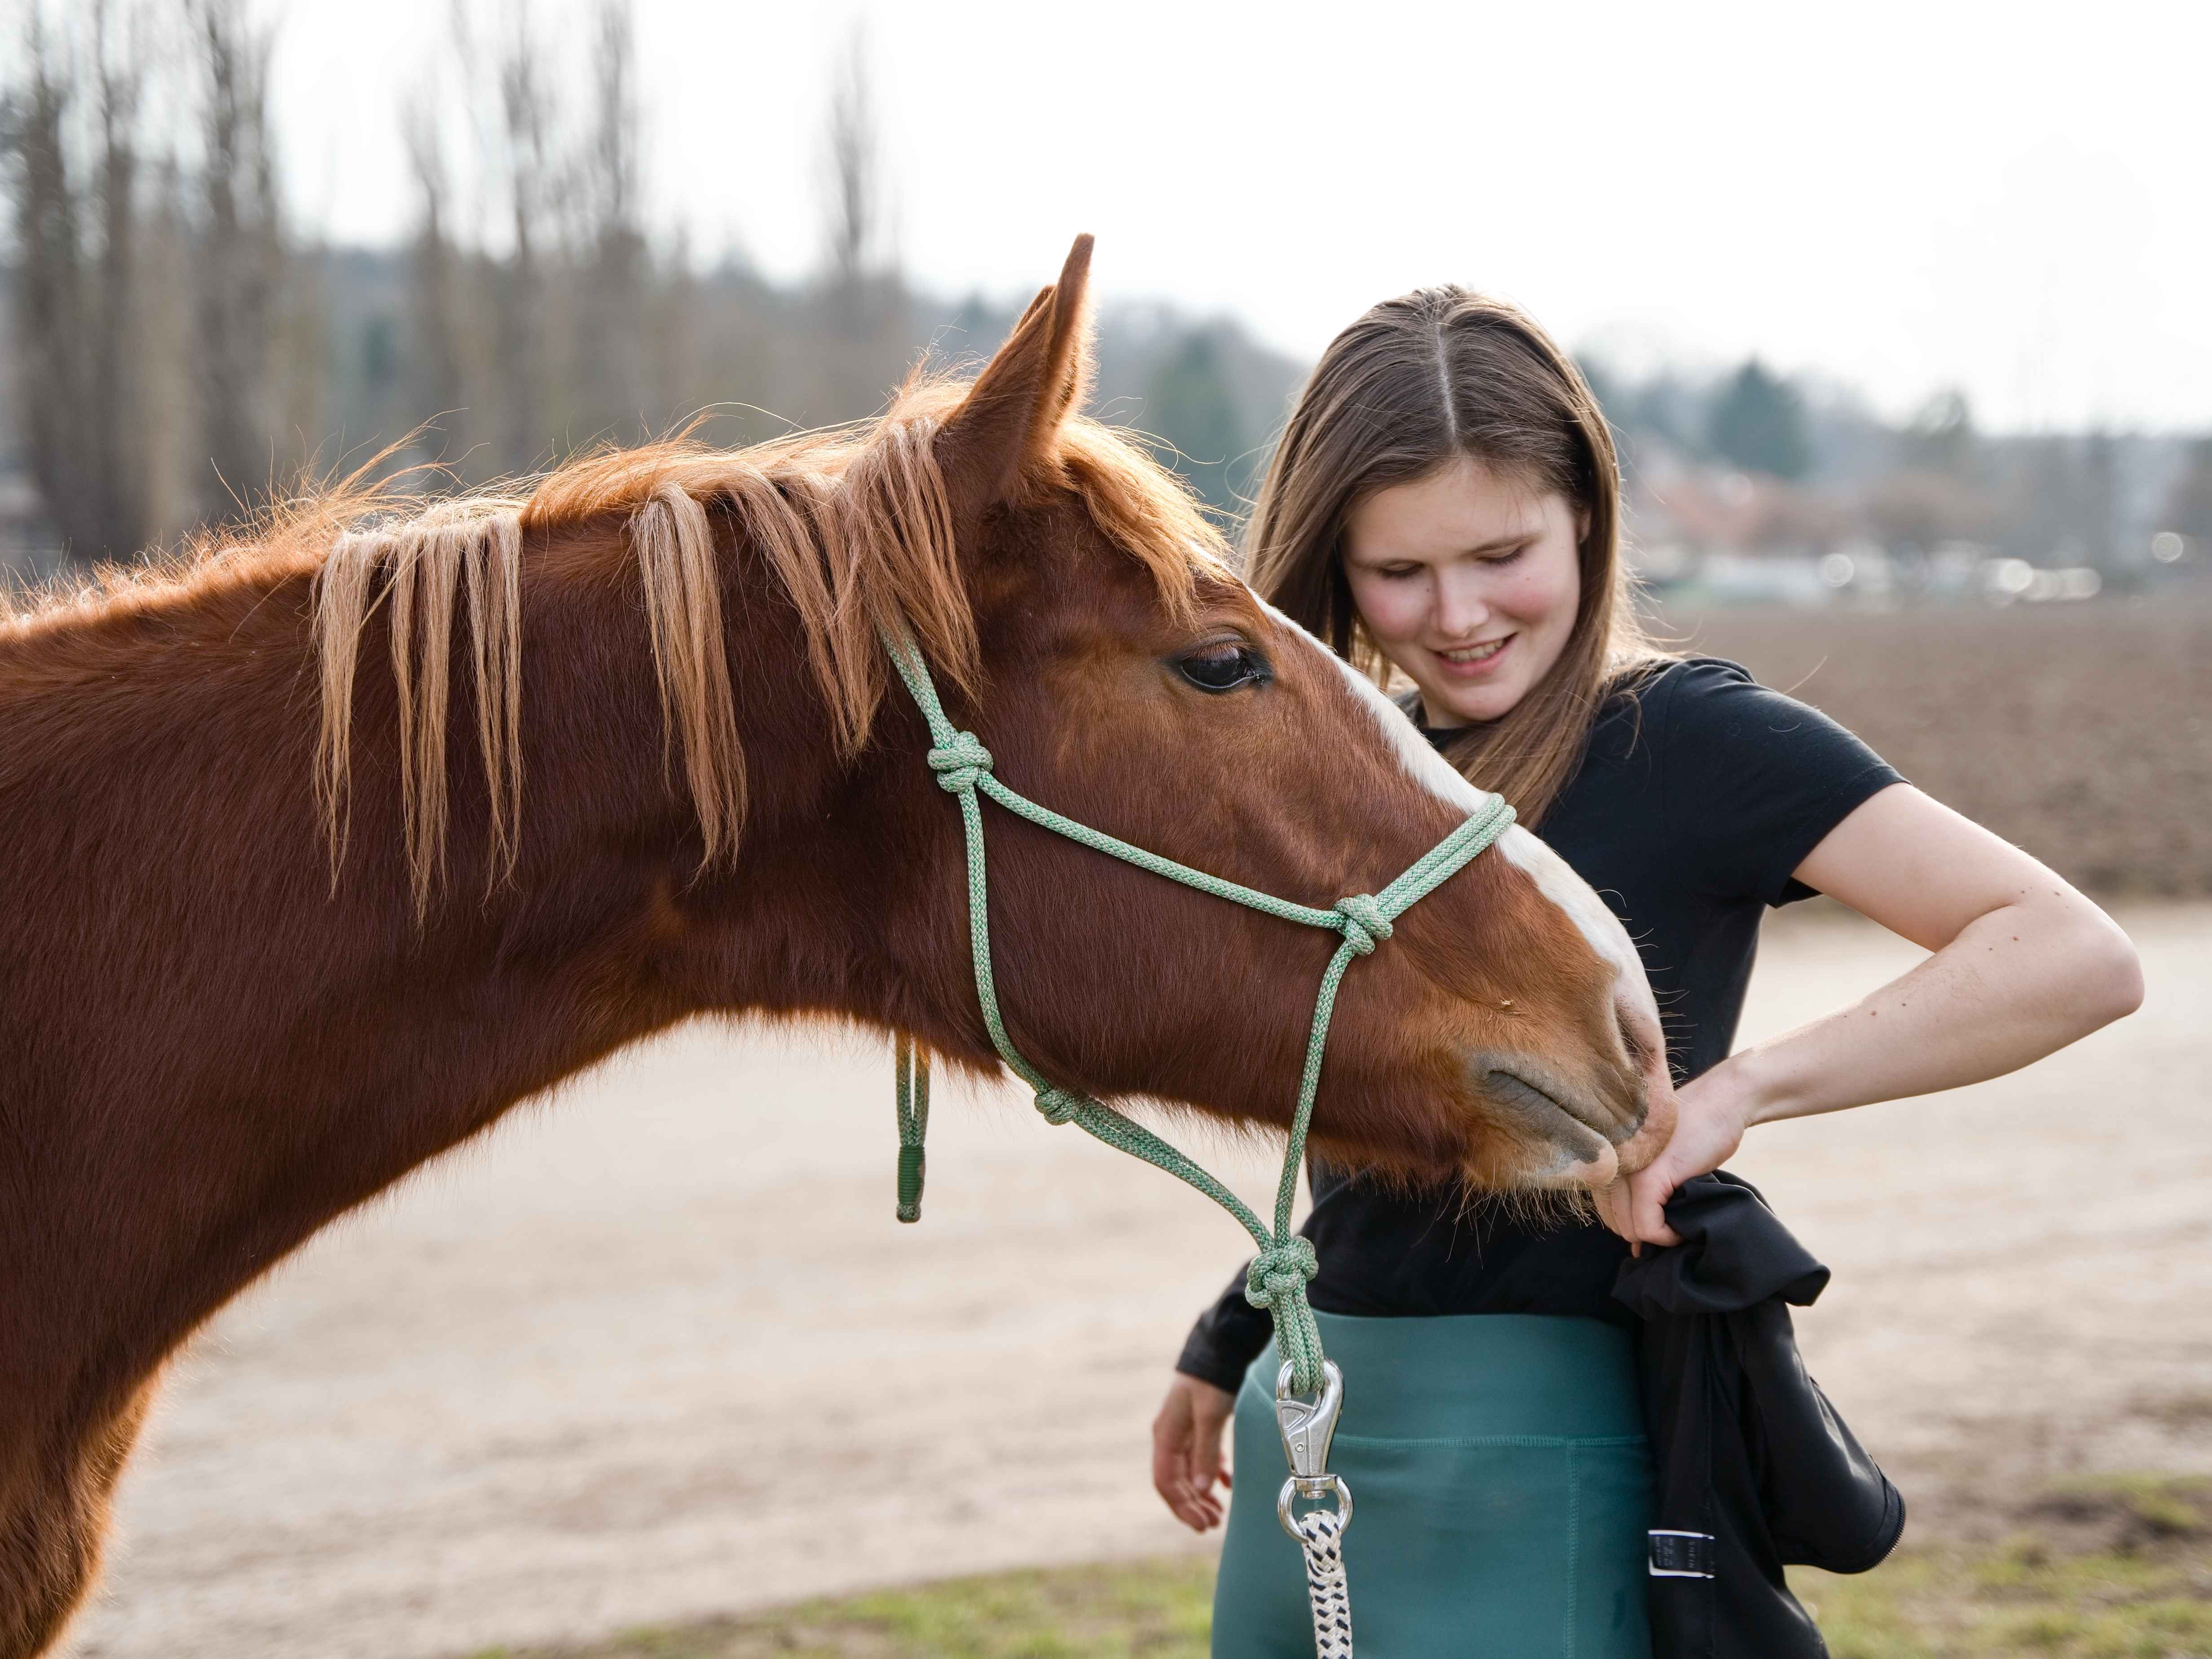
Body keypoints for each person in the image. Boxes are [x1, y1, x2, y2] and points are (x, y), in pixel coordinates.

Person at [1152, 287, 2144, 1658]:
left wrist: (1745, 1093)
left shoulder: (1689, 741)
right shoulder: (1340, 772)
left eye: (1503, 552)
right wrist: (1232, 1338)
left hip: (1543, 1439)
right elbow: (1382, 1147)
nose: (1458, 614)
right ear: (1331, 568)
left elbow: (2072, 952)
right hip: (1308, 1414)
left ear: (1588, 519)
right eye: (1399, 573)